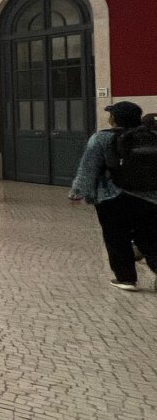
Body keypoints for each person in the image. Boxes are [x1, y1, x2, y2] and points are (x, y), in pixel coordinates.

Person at [68, 101, 157, 291]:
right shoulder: (151, 136)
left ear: (115, 118)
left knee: (116, 238)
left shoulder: (101, 138)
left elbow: (88, 168)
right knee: (149, 237)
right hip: (148, 197)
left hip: (111, 196)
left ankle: (126, 279)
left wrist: (77, 193)